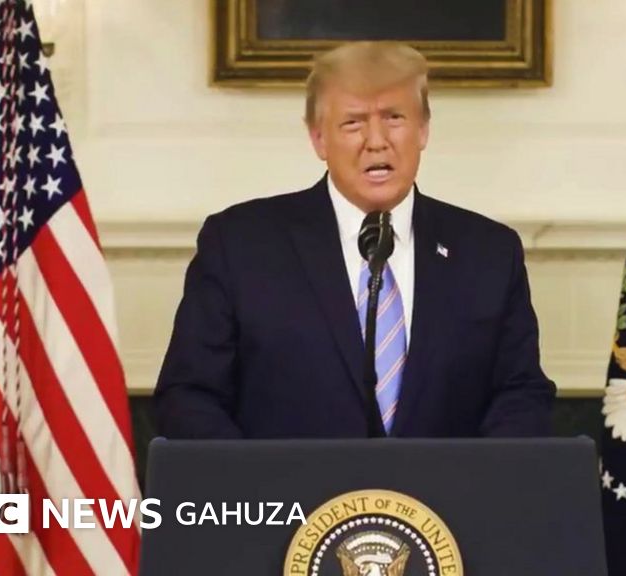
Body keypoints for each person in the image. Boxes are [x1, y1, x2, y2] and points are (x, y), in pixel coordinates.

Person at [155, 42, 554, 438]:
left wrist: (477, 477)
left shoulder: (489, 253)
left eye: (394, 118)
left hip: (447, 484)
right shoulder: (241, 245)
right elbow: (190, 396)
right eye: (353, 123)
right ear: (318, 139)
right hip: (288, 483)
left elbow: (521, 394)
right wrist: (259, 479)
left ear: (423, 130)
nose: (376, 141)